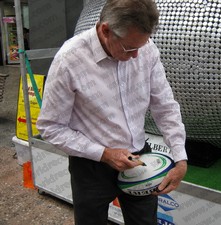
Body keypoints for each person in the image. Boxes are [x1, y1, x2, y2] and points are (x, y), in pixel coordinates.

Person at [36, 0, 187, 224]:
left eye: (140, 47)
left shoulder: (146, 49)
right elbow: (50, 127)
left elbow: (164, 106)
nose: (136, 56)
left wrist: (180, 158)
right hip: (91, 166)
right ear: (105, 30)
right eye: (129, 48)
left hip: (139, 159)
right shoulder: (70, 60)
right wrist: (104, 153)